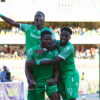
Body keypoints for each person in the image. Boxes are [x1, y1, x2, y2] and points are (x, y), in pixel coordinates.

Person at [0, 11, 56, 99]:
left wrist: (44, 49)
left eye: (39, 16)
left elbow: (54, 43)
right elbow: (12, 23)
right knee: (32, 84)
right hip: (32, 62)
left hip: (45, 62)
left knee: (51, 86)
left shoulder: (49, 31)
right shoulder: (28, 28)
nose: (36, 17)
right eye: (35, 16)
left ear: (43, 19)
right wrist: (0, 15)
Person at [28, 27, 80, 100]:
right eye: (62, 35)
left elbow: (54, 61)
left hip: (69, 74)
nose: (64, 37)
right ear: (60, 35)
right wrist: (44, 49)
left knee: (71, 98)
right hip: (60, 75)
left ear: (70, 37)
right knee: (65, 97)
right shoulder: (57, 42)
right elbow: (51, 44)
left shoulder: (69, 48)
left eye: (66, 36)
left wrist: (37, 62)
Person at [26, 30, 60, 100]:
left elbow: (56, 68)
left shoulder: (54, 51)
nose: (48, 41)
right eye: (46, 39)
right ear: (41, 39)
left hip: (49, 82)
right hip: (37, 83)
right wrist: (30, 80)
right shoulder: (32, 51)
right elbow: (27, 67)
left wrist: (55, 79)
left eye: (50, 39)